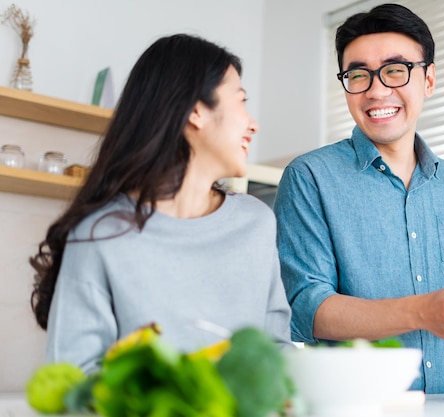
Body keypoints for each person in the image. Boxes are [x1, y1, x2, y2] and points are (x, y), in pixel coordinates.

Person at [273, 4, 444, 393]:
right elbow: (308, 308)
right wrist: (424, 312)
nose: (376, 91)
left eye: (395, 70)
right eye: (358, 75)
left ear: (428, 80)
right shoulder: (309, 177)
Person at [30, 34, 293, 374]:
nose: (252, 123)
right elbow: (74, 375)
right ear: (196, 111)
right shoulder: (100, 235)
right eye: (240, 101)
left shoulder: (256, 222)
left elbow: (277, 352)